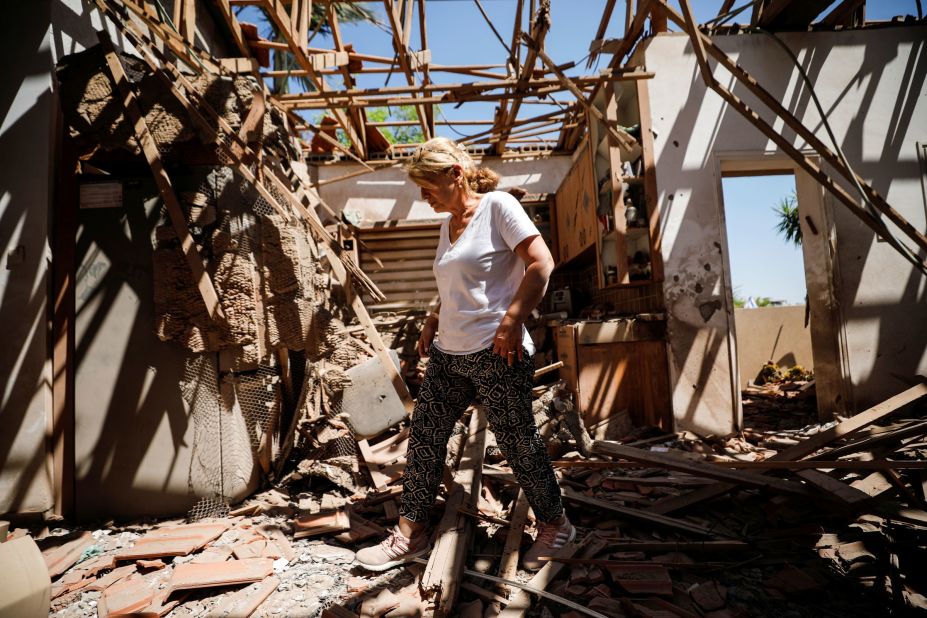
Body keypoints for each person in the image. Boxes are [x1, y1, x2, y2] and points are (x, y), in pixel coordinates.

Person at [355, 137, 574, 572]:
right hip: (449, 354)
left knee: (517, 443)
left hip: (498, 351)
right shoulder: (446, 225)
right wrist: (434, 317)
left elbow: (541, 264)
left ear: (455, 174)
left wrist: (512, 321)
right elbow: (459, 284)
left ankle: (558, 527)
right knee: (425, 438)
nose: (424, 197)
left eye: (429, 186)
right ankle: (409, 535)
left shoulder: (497, 207)